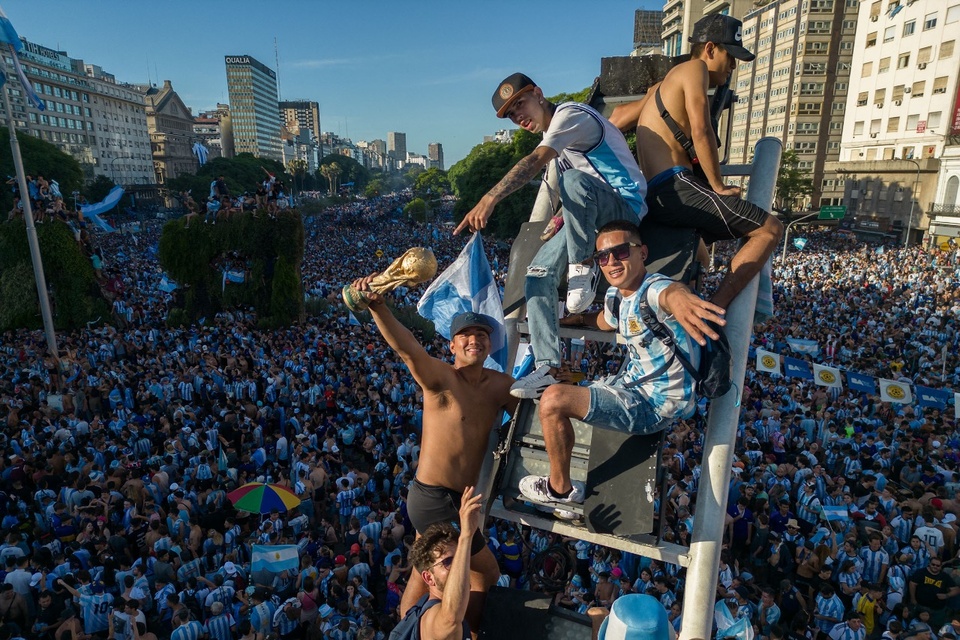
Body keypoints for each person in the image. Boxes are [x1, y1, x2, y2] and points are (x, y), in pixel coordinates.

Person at [454, 73, 648, 398]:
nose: (520, 116)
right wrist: (558, 221)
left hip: (624, 210)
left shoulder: (570, 115)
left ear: (539, 94)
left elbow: (541, 165)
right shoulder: (556, 143)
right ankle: (548, 366)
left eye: (521, 104)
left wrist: (490, 198)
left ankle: (582, 268)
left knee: (572, 181)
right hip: (592, 214)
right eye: (512, 115)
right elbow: (577, 198)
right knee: (536, 276)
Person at [517, 220, 725, 516]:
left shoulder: (655, 289)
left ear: (643, 253)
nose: (611, 261)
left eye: (621, 252)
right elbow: (604, 320)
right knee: (559, 385)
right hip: (629, 386)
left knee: (553, 400)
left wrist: (681, 297)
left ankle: (560, 492)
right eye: (603, 256)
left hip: (654, 406)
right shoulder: (618, 296)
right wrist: (574, 321)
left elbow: (671, 294)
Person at [351, 273, 517, 632]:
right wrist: (378, 307)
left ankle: (409, 618)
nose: (475, 340)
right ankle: (467, 632)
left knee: (429, 565)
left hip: (454, 497)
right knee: (484, 571)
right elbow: (407, 349)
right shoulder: (442, 379)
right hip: (434, 497)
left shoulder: (501, 386)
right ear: (452, 347)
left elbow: (529, 409)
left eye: (482, 335)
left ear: (489, 345)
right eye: (466, 336)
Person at [609, 14, 782, 311]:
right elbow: (701, 128)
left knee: (701, 254)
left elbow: (613, 121)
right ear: (711, 49)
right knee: (770, 229)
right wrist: (717, 185)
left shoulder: (661, 88)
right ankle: (716, 307)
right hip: (676, 184)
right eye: (731, 57)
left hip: (654, 195)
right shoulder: (694, 68)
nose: (733, 67)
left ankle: (692, 304)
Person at [394, 488, 481, 640]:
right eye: (447, 561)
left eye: (460, 556)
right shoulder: (432, 618)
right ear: (428, 578)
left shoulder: (417, 605)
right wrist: (466, 536)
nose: (459, 566)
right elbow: (450, 619)